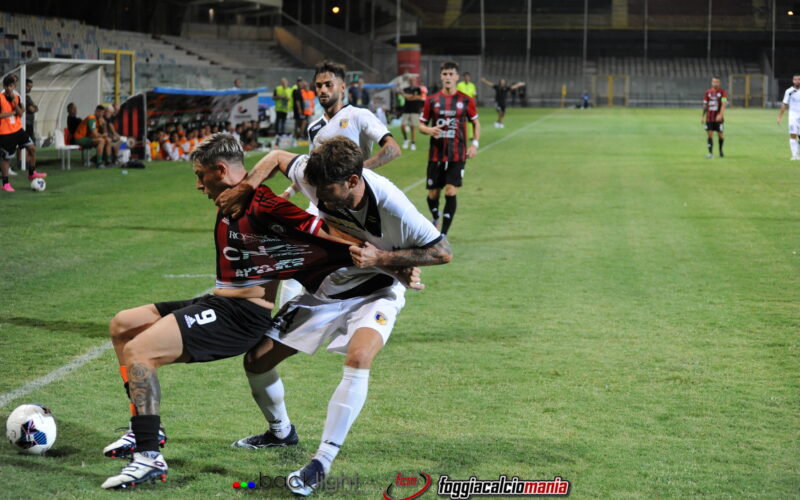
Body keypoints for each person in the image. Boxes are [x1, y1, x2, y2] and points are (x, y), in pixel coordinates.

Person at [100, 133, 384, 490]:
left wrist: (390, 261)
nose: (197, 186)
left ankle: (148, 458)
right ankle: (146, 429)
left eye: (201, 176)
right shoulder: (233, 200)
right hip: (218, 301)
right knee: (123, 325)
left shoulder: (263, 204)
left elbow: (324, 232)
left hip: (241, 316)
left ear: (221, 170)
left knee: (140, 352)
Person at [216, 136, 450, 497]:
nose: (320, 200)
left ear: (353, 181)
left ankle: (320, 462)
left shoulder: (390, 202)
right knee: (257, 361)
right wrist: (247, 188)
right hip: (330, 285)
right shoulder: (317, 176)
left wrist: (385, 261)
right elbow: (278, 156)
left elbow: (442, 252)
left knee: (359, 356)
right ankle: (281, 433)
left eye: (328, 192)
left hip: (378, 289)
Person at [278, 60, 401, 310]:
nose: (323, 90)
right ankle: (286, 317)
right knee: (295, 257)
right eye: (319, 86)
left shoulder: (359, 115)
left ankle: (374, 305)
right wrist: (291, 190)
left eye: (328, 84)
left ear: (342, 87)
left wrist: (357, 171)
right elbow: (311, 169)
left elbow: (392, 149)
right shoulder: (315, 128)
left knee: (355, 259)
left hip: (354, 204)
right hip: (322, 201)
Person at [419, 61, 481, 236]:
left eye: (451, 74)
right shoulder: (431, 100)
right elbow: (421, 125)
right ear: (441, 76)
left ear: (457, 77)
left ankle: (443, 233)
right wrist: (429, 130)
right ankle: (436, 215)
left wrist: (474, 144)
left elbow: (475, 123)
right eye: (444, 74)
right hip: (436, 154)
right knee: (433, 194)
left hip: (457, 154)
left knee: (451, 190)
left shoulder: (466, 100)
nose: (447, 77)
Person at [0, 74, 45, 192]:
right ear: (4, 86)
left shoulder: (16, 96)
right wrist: (11, 113)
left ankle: (32, 172)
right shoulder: (0, 97)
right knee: (7, 159)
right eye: (8, 86)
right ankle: (5, 183)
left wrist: (14, 101)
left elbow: (20, 113)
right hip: (5, 132)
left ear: (14, 86)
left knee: (32, 148)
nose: (10, 88)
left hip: (18, 130)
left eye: (12, 85)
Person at [702, 76, 727, 159]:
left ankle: (720, 151)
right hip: (709, 118)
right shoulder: (707, 92)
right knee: (709, 134)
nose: (715, 83)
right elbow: (705, 105)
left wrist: (721, 114)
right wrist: (702, 116)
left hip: (718, 118)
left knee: (720, 134)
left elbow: (724, 104)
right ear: (712, 82)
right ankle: (710, 153)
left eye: (717, 82)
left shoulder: (723, 92)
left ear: (719, 83)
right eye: (714, 82)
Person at [777, 73, 800, 161]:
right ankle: (794, 155)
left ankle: (798, 154)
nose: (797, 81)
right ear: (793, 81)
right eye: (795, 79)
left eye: (799, 79)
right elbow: (784, 105)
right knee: (793, 135)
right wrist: (779, 117)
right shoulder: (789, 91)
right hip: (793, 116)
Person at [400, 76, 425, 151]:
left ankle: (413, 143)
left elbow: (419, 97)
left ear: (415, 81)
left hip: (415, 110)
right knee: (402, 126)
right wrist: (412, 96)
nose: (412, 81)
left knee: (413, 127)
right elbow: (405, 96)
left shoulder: (418, 89)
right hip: (406, 110)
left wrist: (410, 97)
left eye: (413, 80)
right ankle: (406, 139)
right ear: (409, 81)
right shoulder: (406, 89)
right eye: (410, 80)